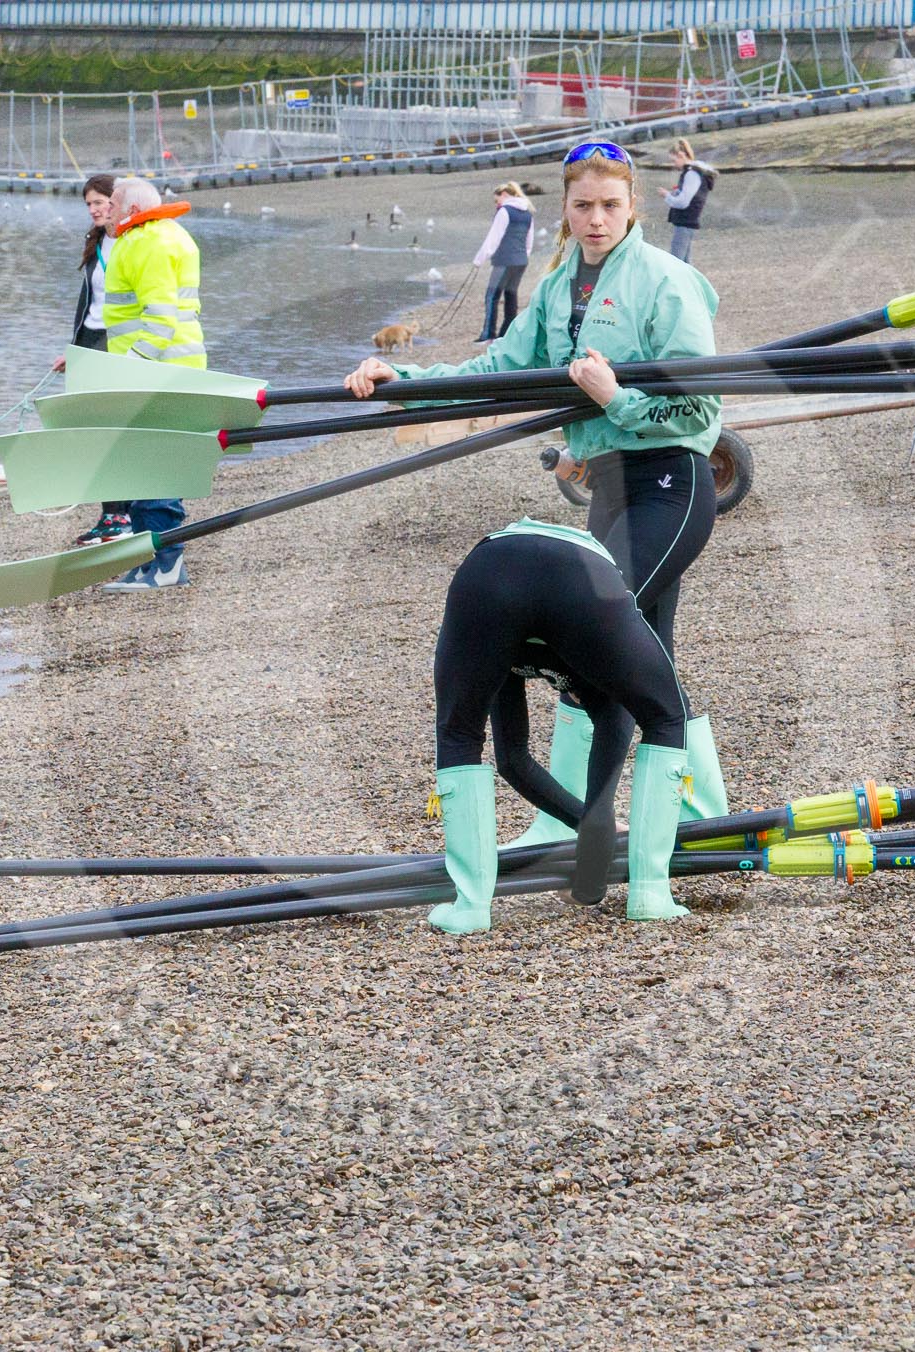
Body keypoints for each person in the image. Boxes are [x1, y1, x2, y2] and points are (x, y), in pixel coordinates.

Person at [344, 140, 727, 852]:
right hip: (606, 489)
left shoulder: (666, 280)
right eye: (582, 206)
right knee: (646, 656)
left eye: (610, 205)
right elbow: (500, 366)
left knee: (602, 644)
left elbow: (701, 410)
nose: (595, 220)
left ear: (632, 205)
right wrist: (409, 383)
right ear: (565, 208)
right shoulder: (557, 287)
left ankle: (597, 828)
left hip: (670, 480)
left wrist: (616, 398)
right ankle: (679, 821)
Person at [429, 519, 693, 935]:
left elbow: (512, 759)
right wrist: (593, 833)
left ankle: (469, 909)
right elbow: (614, 720)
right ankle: (651, 894)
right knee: (667, 715)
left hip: (488, 573)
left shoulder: (505, 644)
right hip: (580, 577)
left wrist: (592, 841)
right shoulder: (597, 657)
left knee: (458, 735)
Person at [99, 176, 204, 592]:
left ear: (134, 210)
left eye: (115, 204)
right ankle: (152, 560)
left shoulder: (146, 241)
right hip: (176, 368)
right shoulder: (169, 235)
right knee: (152, 461)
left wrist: (131, 367)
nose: (107, 211)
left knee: (151, 465)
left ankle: (165, 563)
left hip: (155, 371)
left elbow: (159, 319)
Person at [56, 174, 134, 548]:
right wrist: (72, 350)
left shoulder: (134, 241)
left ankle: (122, 515)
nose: (94, 210)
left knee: (113, 431)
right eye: (88, 204)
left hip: (116, 344)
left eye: (100, 202)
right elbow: (86, 303)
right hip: (90, 341)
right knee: (92, 431)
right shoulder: (97, 242)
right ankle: (110, 514)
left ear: (116, 201)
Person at [473, 181, 534, 343]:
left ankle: (488, 335)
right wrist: (523, 256)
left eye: (496, 200)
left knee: (492, 295)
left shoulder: (504, 211)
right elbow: (529, 241)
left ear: (504, 195)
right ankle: (506, 334)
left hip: (505, 261)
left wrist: (479, 260)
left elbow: (493, 238)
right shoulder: (527, 213)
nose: (496, 203)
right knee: (511, 295)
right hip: (521, 261)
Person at [659, 138, 717, 265]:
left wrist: (667, 196)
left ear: (681, 155)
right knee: (685, 263)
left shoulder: (691, 174)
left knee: (676, 262)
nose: (674, 164)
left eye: (674, 160)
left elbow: (683, 202)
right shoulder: (695, 172)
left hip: (685, 221)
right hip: (688, 221)